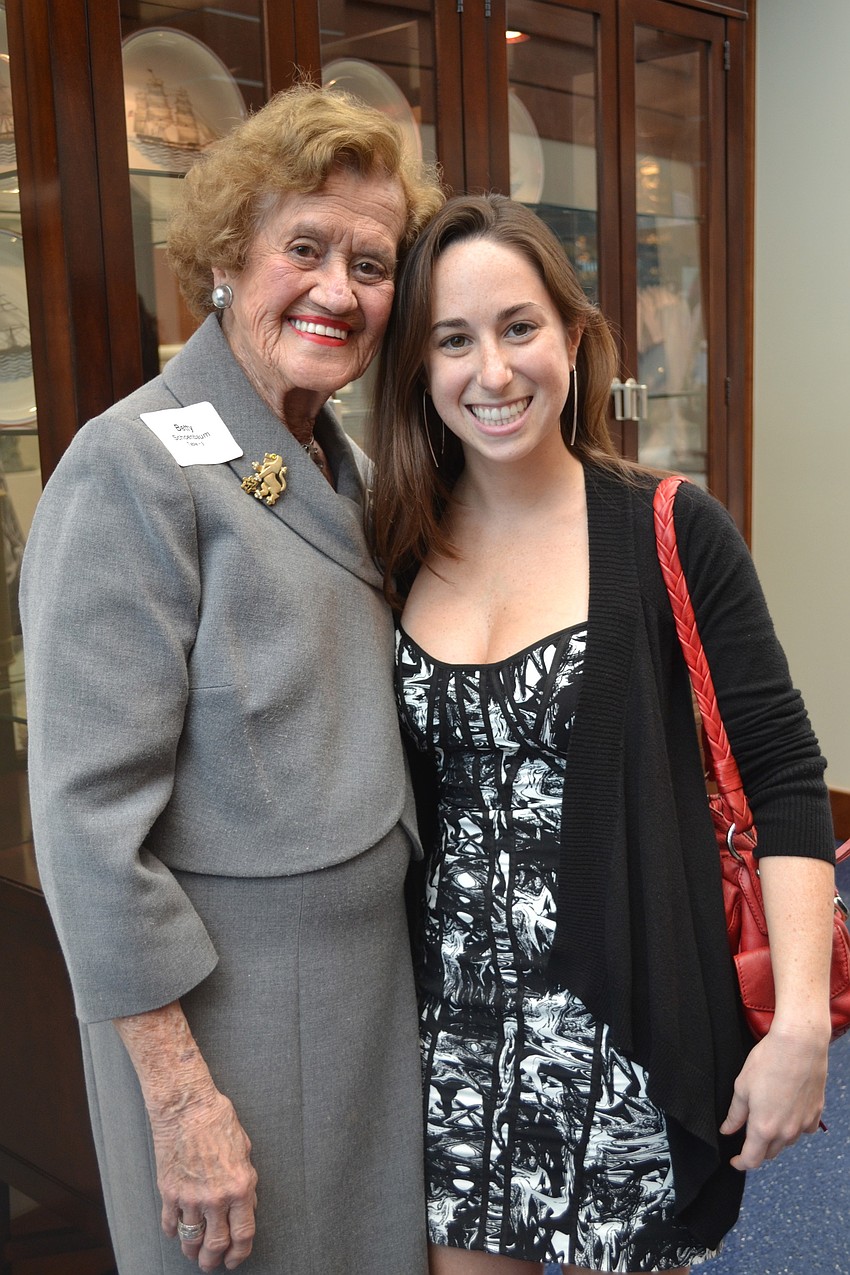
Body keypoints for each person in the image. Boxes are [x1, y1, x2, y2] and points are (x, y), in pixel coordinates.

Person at [367, 193, 836, 1275]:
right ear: (420, 370)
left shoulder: (668, 525)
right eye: (452, 340)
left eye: (518, 327)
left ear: (572, 338)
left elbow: (782, 775)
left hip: (625, 1026)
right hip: (451, 1039)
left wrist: (799, 1025)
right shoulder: (395, 543)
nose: (491, 372)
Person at [19, 85, 443, 1275]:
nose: (337, 290)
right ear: (224, 259)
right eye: (302, 248)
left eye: (370, 263)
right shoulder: (132, 465)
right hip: (227, 1018)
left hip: (365, 993)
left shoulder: (338, 463)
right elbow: (87, 826)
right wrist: (180, 1101)